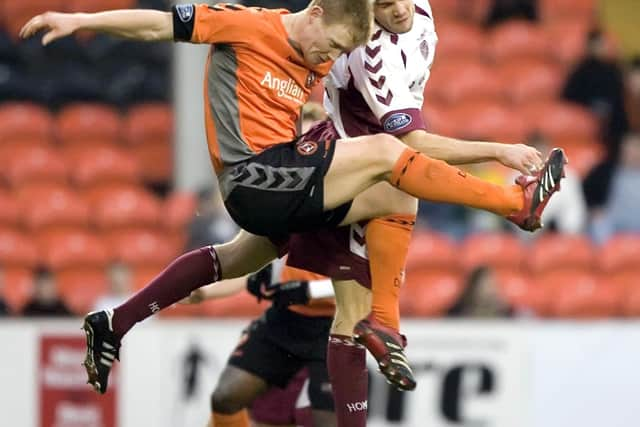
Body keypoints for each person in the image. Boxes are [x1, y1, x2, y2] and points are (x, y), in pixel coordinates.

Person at [20, 0, 566, 396]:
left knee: (374, 207)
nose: (324, 61)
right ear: (316, 12)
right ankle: (511, 205)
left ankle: (113, 323)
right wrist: (82, 20)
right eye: (327, 46)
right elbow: (157, 26)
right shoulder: (244, 24)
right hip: (253, 176)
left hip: (282, 181)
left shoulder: (324, 49)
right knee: (383, 155)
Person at [182, 262, 337, 427]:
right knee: (229, 398)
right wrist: (204, 292)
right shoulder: (286, 238)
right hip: (285, 321)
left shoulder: (354, 239)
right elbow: (247, 261)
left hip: (338, 326)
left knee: (326, 418)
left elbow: (364, 280)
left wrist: (310, 290)